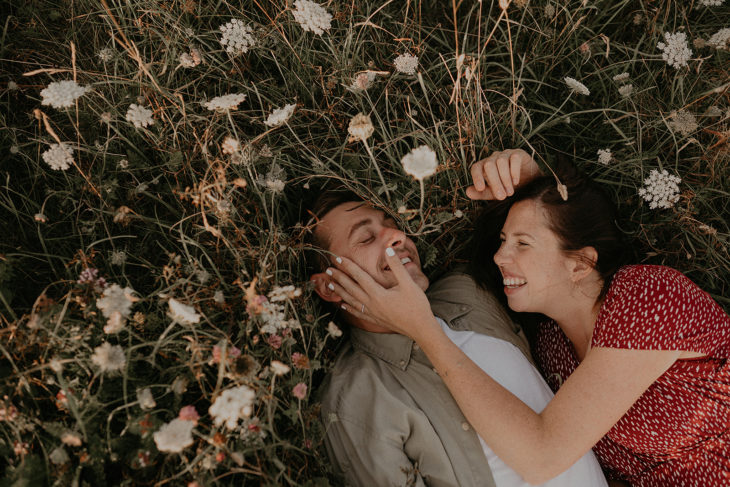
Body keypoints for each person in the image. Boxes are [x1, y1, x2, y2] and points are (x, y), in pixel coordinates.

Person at [325, 149, 730, 486]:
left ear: (580, 264)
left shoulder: (646, 297)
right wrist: (539, 186)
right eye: (503, 241)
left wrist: (424, 331)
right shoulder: (551, 350)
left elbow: (541, 456)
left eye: (522, 243)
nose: (501, 257)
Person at [306, 183, 607, 486]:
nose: (397, 236)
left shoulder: (465, 290)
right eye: (367, 238)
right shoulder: (355, 401)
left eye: (392, 224)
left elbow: (550, 251)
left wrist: (531, 178)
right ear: (328, 286)